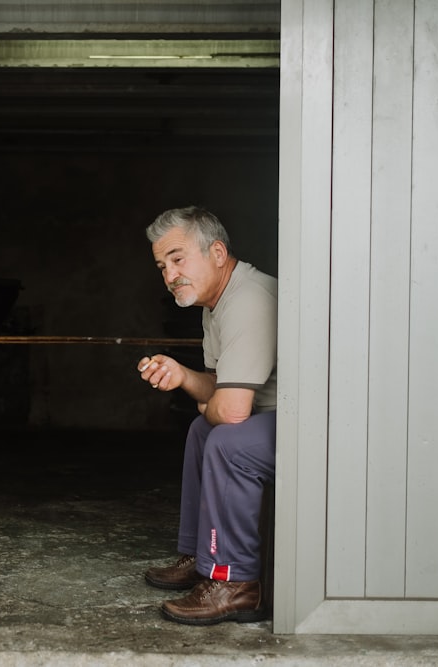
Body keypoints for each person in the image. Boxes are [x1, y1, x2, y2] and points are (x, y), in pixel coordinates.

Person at [138, 205, 277, 626]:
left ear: (217, 253)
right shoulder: (215, 302)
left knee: (229, 442)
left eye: (178, 259)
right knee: (203, 430)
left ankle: (234, 583)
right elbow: (219, 387)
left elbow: (231, 411)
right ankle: (203, 557)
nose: (169, 274)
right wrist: (182, 377)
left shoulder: (249, 299)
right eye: (162, 265)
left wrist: (211, 403)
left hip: (320, 424)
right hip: (272, 413)